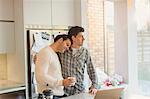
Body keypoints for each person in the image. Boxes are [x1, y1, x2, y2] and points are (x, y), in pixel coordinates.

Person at [58, 26, 98, 96]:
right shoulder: (63, 50)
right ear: (73, 38)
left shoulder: (85, 52)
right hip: (64, 92)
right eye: (81, 36)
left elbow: (91, 69)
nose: (83, 39)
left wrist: (94, 86)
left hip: (80, 91)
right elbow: (50, 52)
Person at [35, 34, 76, 99]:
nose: (67, 49)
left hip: (56, 95)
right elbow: (40, 76)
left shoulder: (53, 53)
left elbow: (53, 74)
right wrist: (61, 82)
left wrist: (67, 81)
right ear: (60, 40)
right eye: (67, 44)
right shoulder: (45, 52)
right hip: (49, 96)